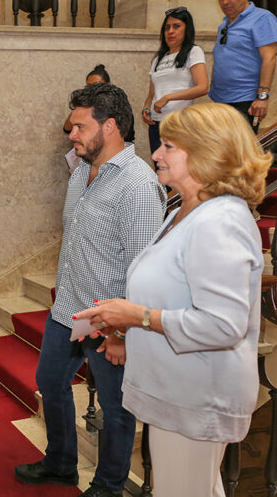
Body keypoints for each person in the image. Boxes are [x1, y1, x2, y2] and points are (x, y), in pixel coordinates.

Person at [75, 103, 270, 496]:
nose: (156, 154)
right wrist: (124, 323)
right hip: (178, 390)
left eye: (168, 146)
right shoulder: (186, 209)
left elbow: (223, 325)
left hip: (197, 395)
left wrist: (137, 315)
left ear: (207, 152)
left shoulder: (220, 221)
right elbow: (173, 292)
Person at [14, 84, 166, 497]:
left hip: (108, 319)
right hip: (68, 309)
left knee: (115, 408)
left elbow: (144, 270)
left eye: (80, 126)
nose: (72, 134)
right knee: (50, 382)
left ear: (110, 126)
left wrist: (122, 333)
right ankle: (61, 463)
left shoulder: (137, 185)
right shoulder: (82, 171)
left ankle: (109, 486)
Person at [209, 0, 277, 131]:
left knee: (239, 146)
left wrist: (262, 97)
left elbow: (269, 58)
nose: (225, 2)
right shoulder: (223, 26)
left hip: (245, 101)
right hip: (219, 99)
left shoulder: (262, 18)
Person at [141, 6, 208, 154]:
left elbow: (203, 87)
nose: (170, 31)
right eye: (167, 27)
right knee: (159, 164)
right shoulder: (158, 58)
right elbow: (151, 94)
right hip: (156, 123)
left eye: (176, 26)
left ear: (187, 29)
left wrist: (168, 98)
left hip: (179, 122)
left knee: (178, 165)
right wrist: (146, 108)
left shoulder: (194, 51)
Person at [63, 65, 111, 173]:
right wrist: (80, 107)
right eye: (89, 86)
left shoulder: (116, 105)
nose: (93, 89)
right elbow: (67, 128)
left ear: (108, 84)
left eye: (97, 85)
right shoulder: (85, 106)